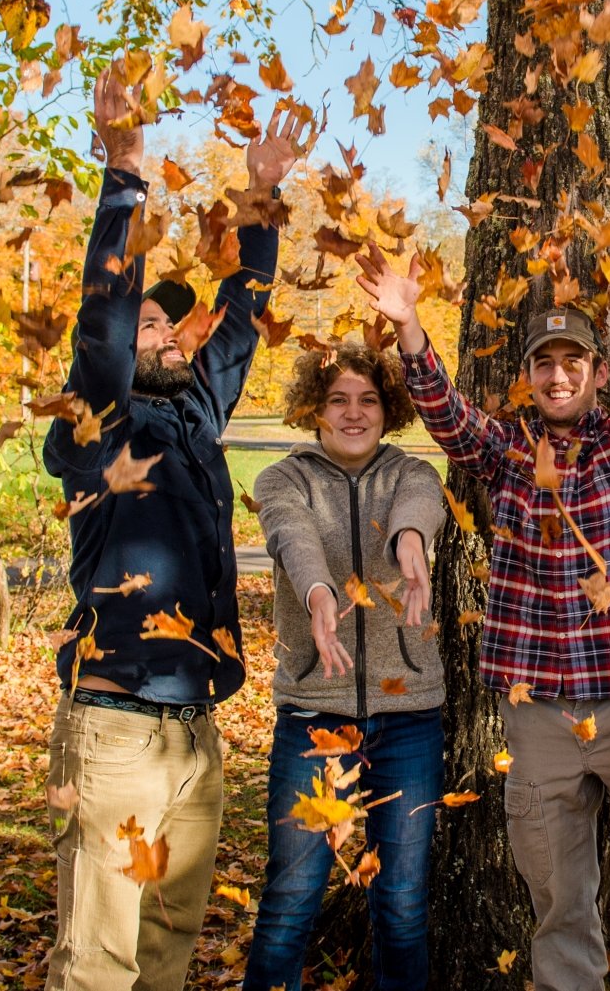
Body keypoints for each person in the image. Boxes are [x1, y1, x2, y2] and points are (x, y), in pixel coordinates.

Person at [359, 228, 610, 991]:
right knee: (558, 897)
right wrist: (409, 327)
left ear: (597, 373)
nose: (557, 375)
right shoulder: (507, 451)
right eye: (543, 363)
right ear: (527, 376)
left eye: (572, 362)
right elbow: (445, 413)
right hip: (539, 713)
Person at [40, 67, 312, 991]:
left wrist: (263, 197)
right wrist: (125, 178)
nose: (159, 336)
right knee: (99, 960)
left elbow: (238, 320)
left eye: (168, 328)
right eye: (150, 323)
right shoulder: (96, 424)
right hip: (114, 724)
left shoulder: (194, 416)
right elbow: (104, 330)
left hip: (195, 730)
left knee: (168, 949)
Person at [242, 342, 448, 991]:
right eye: (339, 400)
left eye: (368, 400)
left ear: (389, 408)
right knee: (293, 896)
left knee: (401, 904)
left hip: (409, 717)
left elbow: (420, 512)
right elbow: (291, 535)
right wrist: (320, 593)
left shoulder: (413, 473)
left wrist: (410, 543)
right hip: (313, 714)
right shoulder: (284, 478)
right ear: (315, 408)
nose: (354, 413)